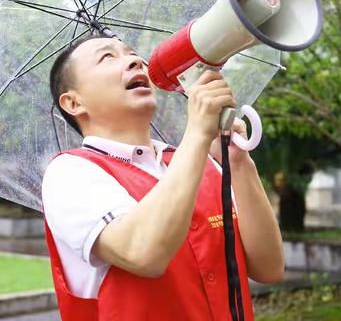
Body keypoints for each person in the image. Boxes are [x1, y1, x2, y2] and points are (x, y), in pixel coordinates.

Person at [42, 33, 284, 320]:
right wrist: (196, 132)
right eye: (107, 57)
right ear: (73, 103)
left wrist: (238, 161)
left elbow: (269, 267)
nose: (135, 60)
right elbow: (142, 252)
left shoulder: (204, 164)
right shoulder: (69, 173)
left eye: (132, 53)